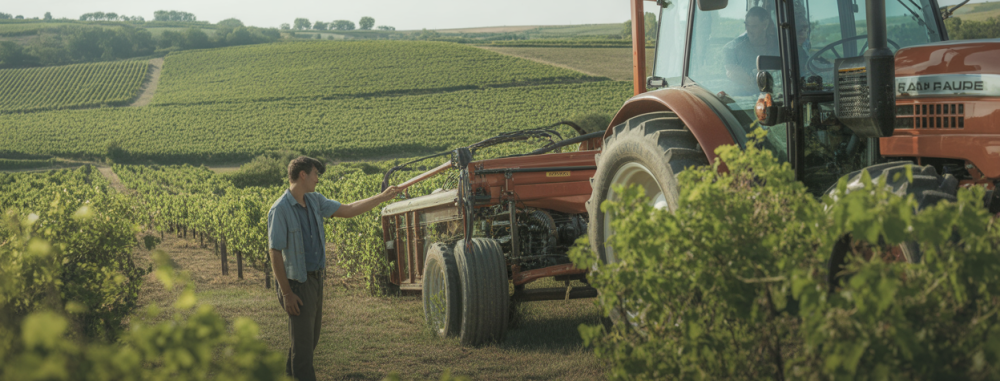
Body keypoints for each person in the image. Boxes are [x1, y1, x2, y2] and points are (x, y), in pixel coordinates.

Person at [267, 156, 399, 381]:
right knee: (304, 346)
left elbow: (348, 209)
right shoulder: (280, 209)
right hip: (298, 284)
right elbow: (274, 251)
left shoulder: (314, 200)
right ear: (302, 175)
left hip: (316, 280)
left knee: (308, 341)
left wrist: (382, 197)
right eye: (315, 174)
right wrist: (287, 293)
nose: (318, 179)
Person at [723, 6, 780, 93]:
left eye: (754, 27)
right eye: (747, 26)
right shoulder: (733, 48)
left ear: (765, 25)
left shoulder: (779, 45)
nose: (749, 30)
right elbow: (731, 72)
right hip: (743, 97)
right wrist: (750, 82)